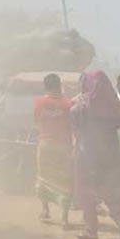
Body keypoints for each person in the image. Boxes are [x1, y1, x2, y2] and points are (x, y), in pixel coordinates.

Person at [71, 70, 120, 239]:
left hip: (87, 155)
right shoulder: (114, 104)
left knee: (86, 191)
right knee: (108, 191)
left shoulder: (80, 103)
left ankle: (91, 230)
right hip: (111, 156)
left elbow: (75, 127)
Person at [32, 73, 74, 227]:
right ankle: (64, 218)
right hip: (64, 145)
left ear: (45, 86)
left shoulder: (38, 102)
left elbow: (36, 120)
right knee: (64, 180)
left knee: (44, 177)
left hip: (45, 144)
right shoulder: (68, 103)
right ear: (59, 85)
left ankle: (45, 210)